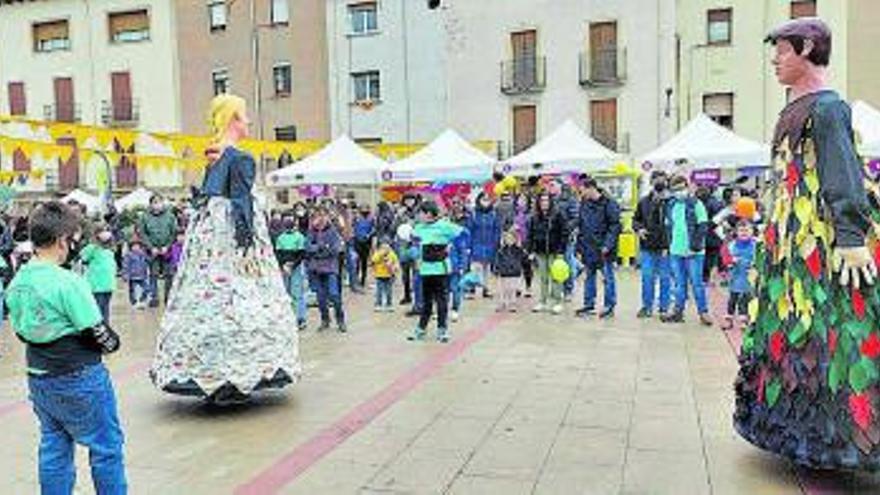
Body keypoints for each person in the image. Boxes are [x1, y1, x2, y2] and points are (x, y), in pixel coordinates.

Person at [734, 18, 880, 469]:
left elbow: (843, 172)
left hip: (822, 245)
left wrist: (850, 236)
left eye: (782, 50)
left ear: (807, 48)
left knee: (835, 333)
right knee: (800, 329)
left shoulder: (829, 109)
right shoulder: (792, 111)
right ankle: (802, 432)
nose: (775, 59)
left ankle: (840, 438)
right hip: (792, 250)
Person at [151, 94, 301, 402]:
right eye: (244, 117)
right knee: (239, 297)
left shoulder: (214, 157)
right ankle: (238, 373)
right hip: (232, 238)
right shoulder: (240, 158)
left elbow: (207, 199)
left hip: (208, 241)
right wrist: (248, 244)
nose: (247, 122)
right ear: (233, 119)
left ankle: (206, 371)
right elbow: (242, 205)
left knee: (209, 294)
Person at [6, 201, 126, 494]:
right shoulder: (68, 282)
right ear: (62, 240)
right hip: (79, 377)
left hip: (39, 378)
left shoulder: (18, 282)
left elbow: (22, 332)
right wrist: (113, 343)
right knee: (106, 447)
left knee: (54, 445)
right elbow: (97, 334)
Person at [408, 200, 463, 343]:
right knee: (426, 302)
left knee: (441, 301)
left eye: (420, 213)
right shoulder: (418, 227)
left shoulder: (444, 226)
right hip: (425, 270)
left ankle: (442, 330)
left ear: (428, 214)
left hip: (441, 269)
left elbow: (464, 234)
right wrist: (414, 253)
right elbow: (412, 243)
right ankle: (421, 330)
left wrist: (452, 246)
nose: (418, 215)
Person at [660, 176, 712, 325]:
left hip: (694, 253)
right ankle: (678, 312)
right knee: (679, 284)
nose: (679, 192)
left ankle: (703, 313)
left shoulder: (696, 204)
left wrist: (694, 245)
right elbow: (668, 227)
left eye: (681, 188)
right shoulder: (671, 205)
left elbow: (703, 226)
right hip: (676, 251)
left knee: (697, 283)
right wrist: (668, 246)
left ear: (688, 187)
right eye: (675, 190)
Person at [575, 177, 621, 319]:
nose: (582, 193)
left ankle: (609, 306)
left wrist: (608, 244)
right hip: (588, 247)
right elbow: (581, 225)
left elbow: (615, 226)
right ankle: (589, 304)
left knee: (608, 277)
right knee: (589, 277)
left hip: (604, 248)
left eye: (583, 190)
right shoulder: (584, 203)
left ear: (591, 188)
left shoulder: (609, 203)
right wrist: (579, 247)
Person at [633, 170, 671, 318]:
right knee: (647, 278)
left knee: (665, 278)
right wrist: (639, 229)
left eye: (662, 181)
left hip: (665, 247)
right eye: (656, 181)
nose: (659, 184)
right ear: (651, 183)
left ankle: (664, 307)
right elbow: (636, 220)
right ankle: (647, 307)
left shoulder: (671, 201)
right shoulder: (644, 201)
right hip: (647, 246)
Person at [307, 206, 347, 332]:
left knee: (334, 295)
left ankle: (340, 320)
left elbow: (335, 250)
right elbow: (307, 248)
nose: (321, 219)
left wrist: (319, 249)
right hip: (316, 269)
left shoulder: (333, 231)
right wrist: (320, 247)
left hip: (330, 268)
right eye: (318, 216)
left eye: (323, 216)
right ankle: (325, 320)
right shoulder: (311, 232)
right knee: (320, 297)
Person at [526, 192, 567, 314]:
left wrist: (561, 251)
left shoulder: (558, 215)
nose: (544, 203)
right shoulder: (534, 217)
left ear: (551, 202)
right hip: (540, 251)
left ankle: (557, 302)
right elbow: (531, 235)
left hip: (554, 251)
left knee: (556, 276)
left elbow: (564, 233)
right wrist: (530, 250)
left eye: (546, 200)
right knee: (543, 277)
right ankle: (542, 301)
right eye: (542, 200)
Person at [138, 194, 177, 307]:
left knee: (169, 274)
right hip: (152, 251)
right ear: (150, 204)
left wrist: (168, 246)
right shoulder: (145, 217)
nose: (157, 204)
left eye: (159, 201)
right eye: (154, 202)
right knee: (153, 275)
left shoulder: (170, 216)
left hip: (167, 250)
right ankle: (154, 297)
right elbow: (142, 233)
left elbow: (173, 232)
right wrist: (151, 247)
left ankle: (168, 297)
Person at [275, 214, 308, 330]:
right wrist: (283, 264)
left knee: (297, 293)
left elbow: (302, 254)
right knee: (286, 292)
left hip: (296, 267)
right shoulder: (280, 237)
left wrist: (292, 265)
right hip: (285, 267)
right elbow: (278, 253)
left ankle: (300, 318)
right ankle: (288, 317)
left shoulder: (300, 237)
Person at [79, 227, 118, 326]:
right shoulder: (111, 250)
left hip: (97, 285)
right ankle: (105, 327)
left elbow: (83, 257)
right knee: (105, 308)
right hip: (108, 285)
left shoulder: (93, 248)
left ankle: (100, 328)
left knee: (98, 309)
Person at [721, 220, 756, 330]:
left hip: (748, 277)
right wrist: (731, 261)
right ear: (736, 232)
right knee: (733, 298)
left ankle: (744, 319)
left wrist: (754, 264)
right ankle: (729, 318)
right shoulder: (732, 245)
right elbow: (724, 255)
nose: (744, 232)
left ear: (752, 232)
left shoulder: (755, 245)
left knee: (745, 298)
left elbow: (759, 258)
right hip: (735, 276)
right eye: (741, 230)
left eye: (747, 230)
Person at [468, 192, 500, 298]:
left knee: (487, 269)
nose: (486, 202)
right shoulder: (474, 214)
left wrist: (496, 243)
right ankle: (472, 289)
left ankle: (486, 289)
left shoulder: (494, 214)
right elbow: (470, 230)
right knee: (476, 268)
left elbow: (496, 229)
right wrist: (469, 245)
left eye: (487, 199)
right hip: (476, 244)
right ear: (479, 200)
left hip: (489, 244)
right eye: (483, 199)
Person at [494, 230, 526, 312]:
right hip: (503, 273)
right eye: (507, 238)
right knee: (502, 289)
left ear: (515, 239)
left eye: (511, 238)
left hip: (515, 273)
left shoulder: (518, 250)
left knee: (512, 289)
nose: (509, 240)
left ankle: (512, 303)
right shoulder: (501, 250)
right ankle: (502, 303)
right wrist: (496, 269)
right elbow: (497, 260)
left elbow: (524, 259)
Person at [370, 237, 399, 312]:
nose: (385, 247)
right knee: (379, 291)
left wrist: (395, 268)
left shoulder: (392, 254)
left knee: (389, 291)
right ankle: (378, 304)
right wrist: (380, 255)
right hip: (379, 276)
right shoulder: (378, 253)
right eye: (383, 246)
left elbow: (396, 263)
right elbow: (373, 260)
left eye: (387, 245)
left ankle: (389, 304)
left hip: (389, 276)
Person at [122, 240, 150, 310]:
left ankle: (142, 300)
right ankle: (134, 303)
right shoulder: (128, 255)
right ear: (131, 247)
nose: (136, 248)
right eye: (134, 246)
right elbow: (125, 265)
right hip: (132, 276)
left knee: (147, 288)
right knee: (132, 291)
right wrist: (125, 275)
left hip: (142, 276)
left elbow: (147, 262)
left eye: (137, 246)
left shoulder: (143, 254)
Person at [353, 204, 375, 289]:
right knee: (357, 261)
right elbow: (353, 228)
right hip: (357, 242)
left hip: (366, 242)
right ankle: (356, 279)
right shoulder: (357, 218)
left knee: (364, 261)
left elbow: (373, 229)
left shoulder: (371, 219)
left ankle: (363, 279)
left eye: (366, 209)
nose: (364, 211)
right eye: (363, 209)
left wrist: (368, 235)